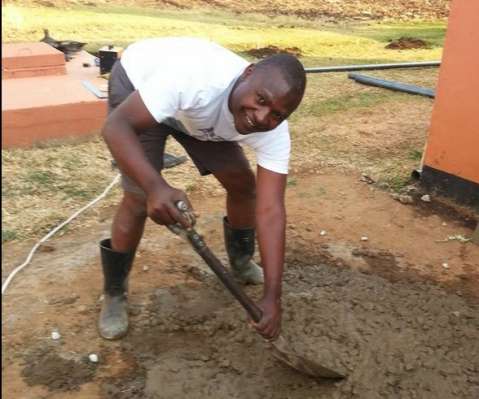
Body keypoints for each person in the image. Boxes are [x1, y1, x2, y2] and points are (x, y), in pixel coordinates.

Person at [99, 37, 306, 342]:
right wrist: (155, 186)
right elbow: (116, 127)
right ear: (247, 74)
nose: (263, 118)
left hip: (195, 115)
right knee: (140, 198)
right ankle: (114, 293)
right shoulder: (195, 79)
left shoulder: (270, 129)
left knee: (244, 186)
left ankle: (241, 262)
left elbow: (271, 209)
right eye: (261, 100)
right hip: (138, 88)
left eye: (277, 114)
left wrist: (273, 296)